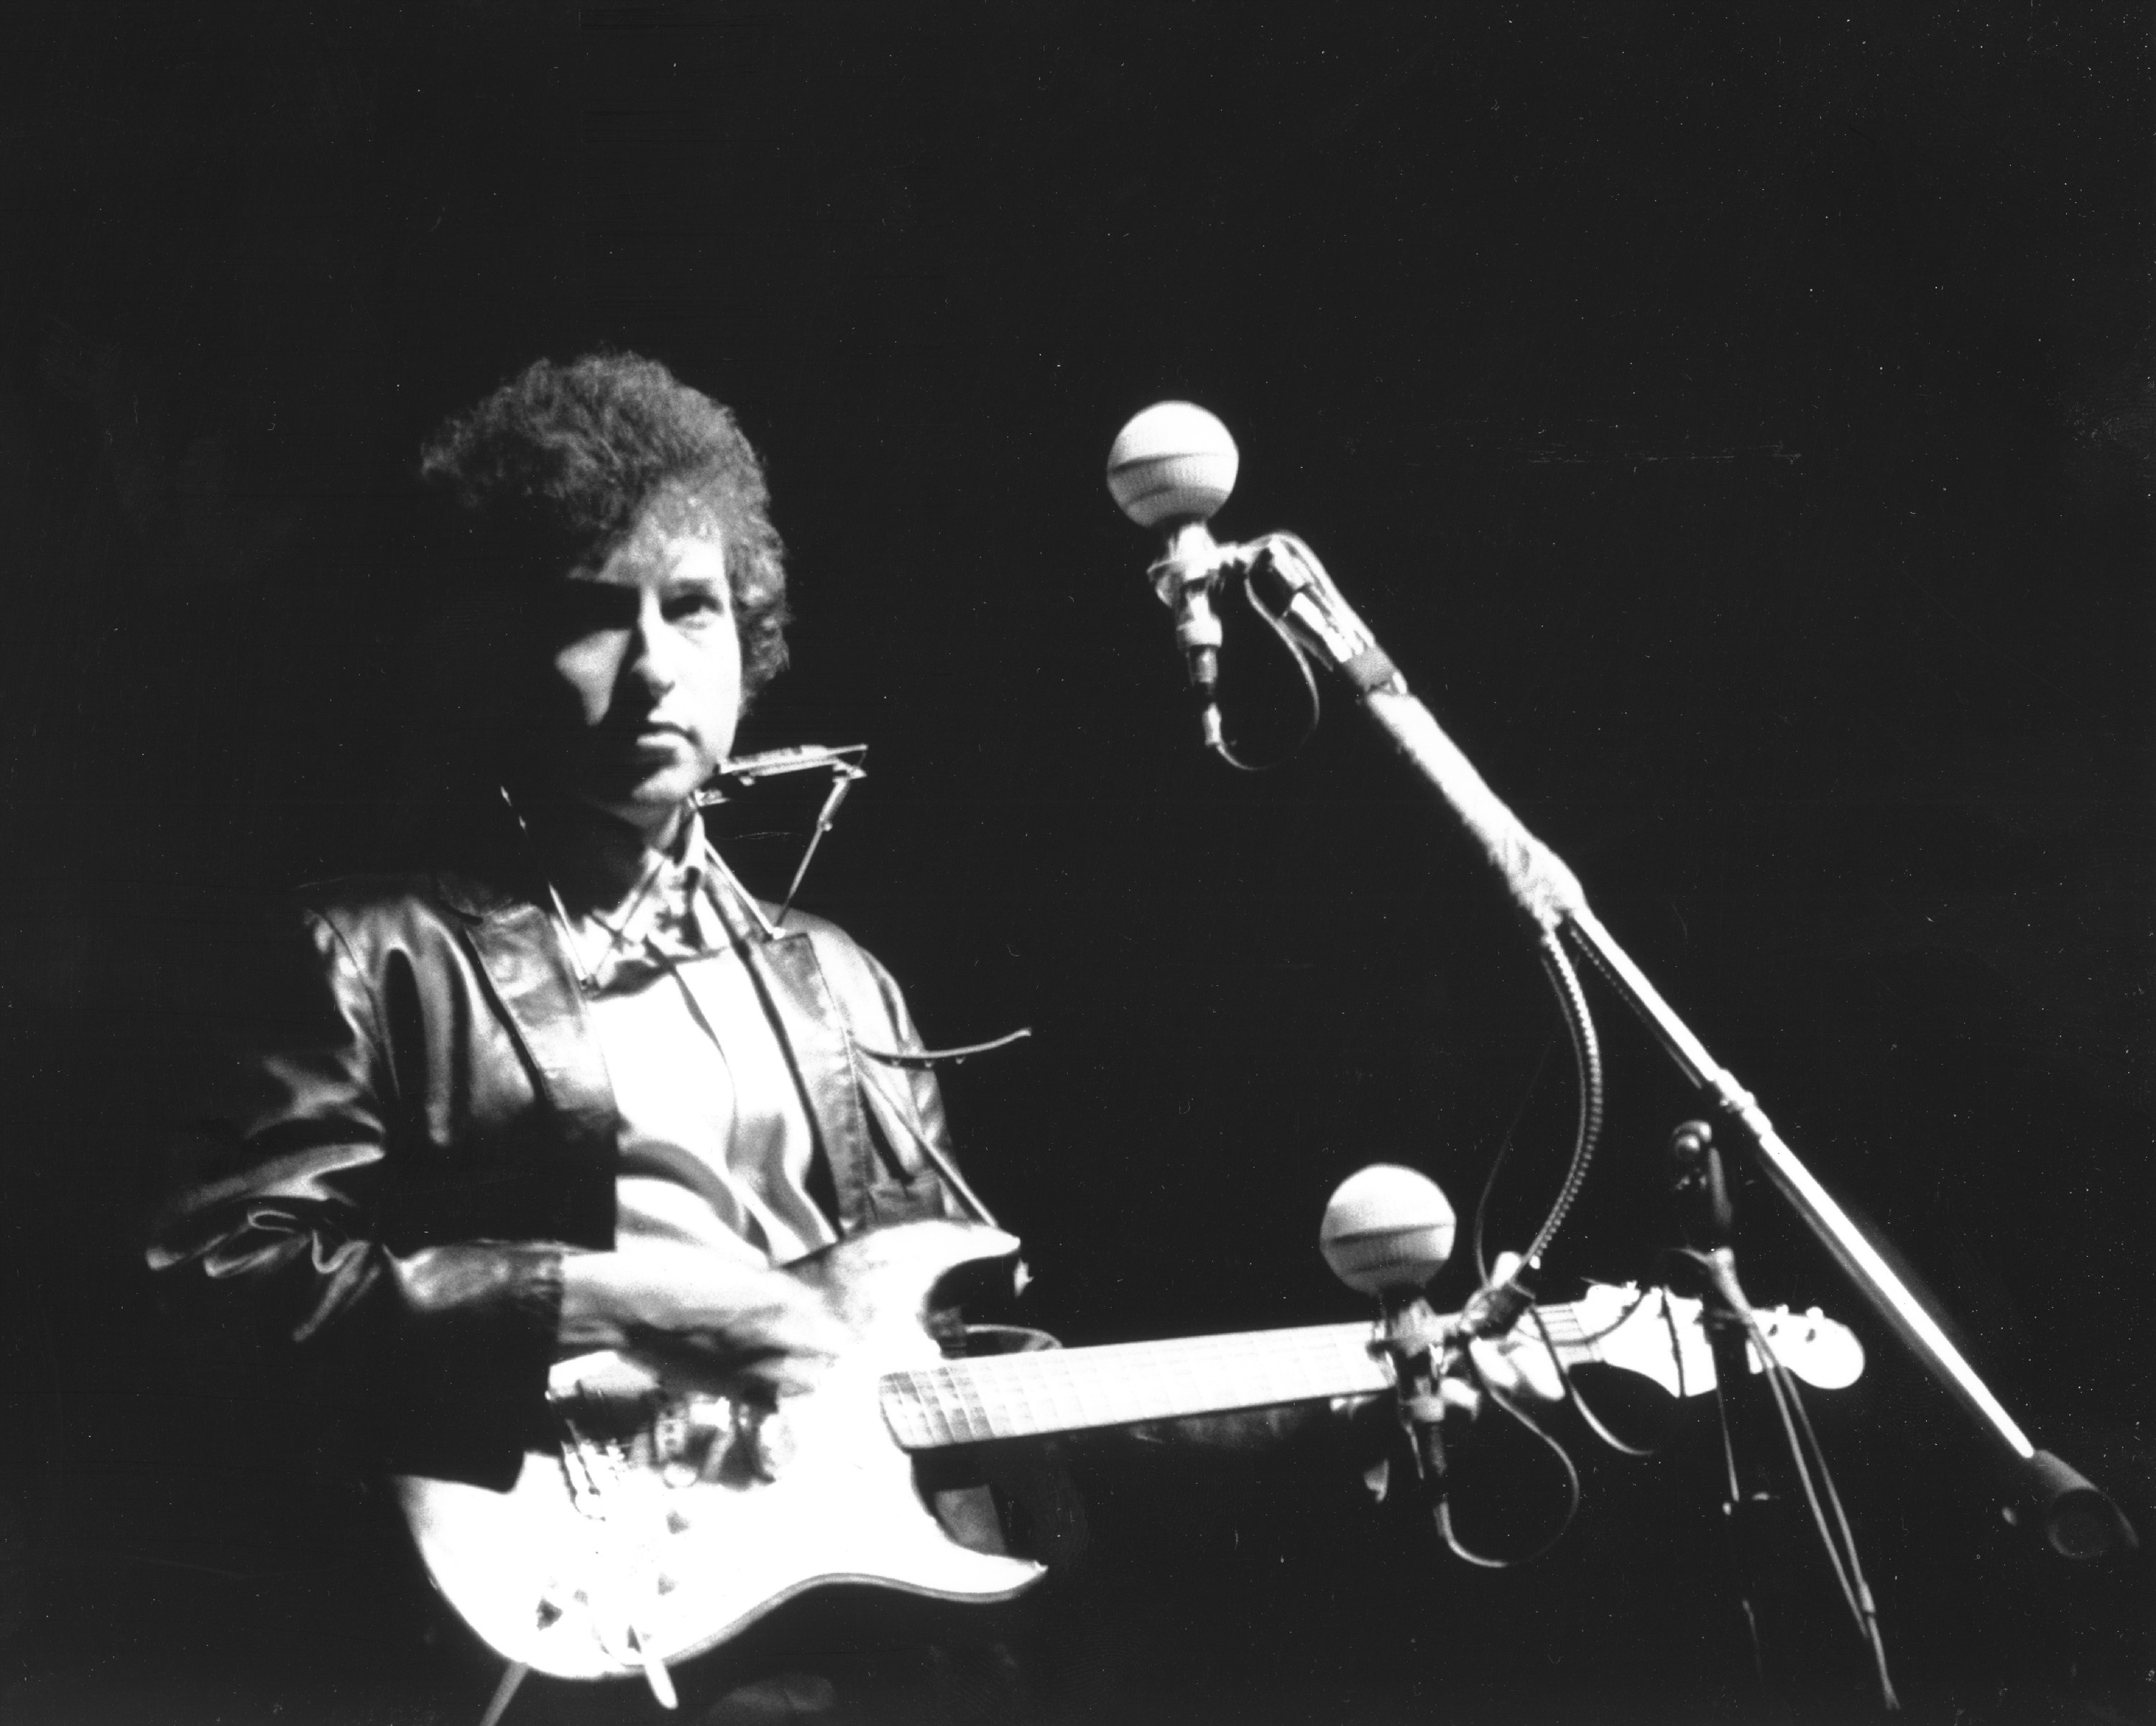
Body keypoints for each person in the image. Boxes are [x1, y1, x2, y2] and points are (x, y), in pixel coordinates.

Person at [147, 353, 1045, 1723]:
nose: (652, 670)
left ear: (752, 629)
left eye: (692, 607)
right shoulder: (366, 951)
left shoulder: (850, 987)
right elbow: (214, 1281)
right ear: (493, 646)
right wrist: (625, 1299)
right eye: (588, 618)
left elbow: (947, 1366)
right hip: (560, 1627)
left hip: (855, 1630)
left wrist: (1327, 1398)